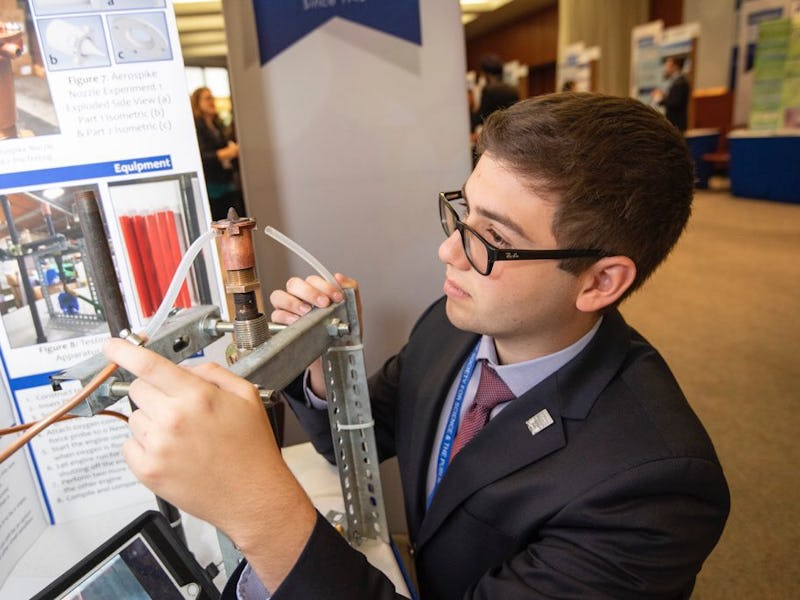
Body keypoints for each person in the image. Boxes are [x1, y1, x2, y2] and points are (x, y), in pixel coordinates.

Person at [104, 93, 730, 599]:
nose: (449, 251)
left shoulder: (653, 486)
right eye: (462, 212)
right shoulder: (454, 324)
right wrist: (326, 376)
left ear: (600, 281)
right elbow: (362, 435)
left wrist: (257, 511)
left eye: (492, 238)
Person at [190, 86, 246, 220]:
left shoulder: (217, 125)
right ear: (198, 103)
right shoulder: (197, 126)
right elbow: (202, 157)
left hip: (227, 183)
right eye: (207, 98)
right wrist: (226, 152)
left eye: (212, 97)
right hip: (212, 188)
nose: (212, 101)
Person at [471, 54, 519, 133]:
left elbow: (481, 116)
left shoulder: (488, 90)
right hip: (511, 130)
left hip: (496, 132)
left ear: (485, 74)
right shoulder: (513, 89)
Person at [652, 56, 690, 133]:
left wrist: (660, 99)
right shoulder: (677, 81)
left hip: (677, 123)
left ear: (675, 67)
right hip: (674, 122)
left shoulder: (680, 82)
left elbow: (676, 103)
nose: (665, 69)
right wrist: (664, 96)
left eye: (668, 66)